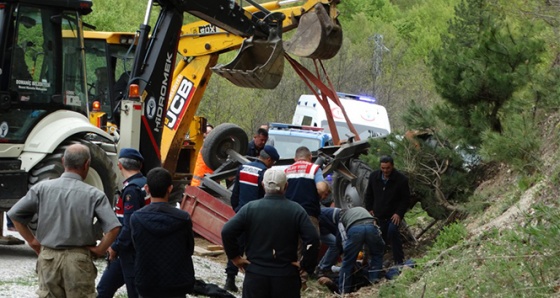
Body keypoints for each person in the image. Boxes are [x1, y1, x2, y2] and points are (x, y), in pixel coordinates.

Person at [7, 144, 121, 297]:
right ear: (87, 164)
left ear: (63, 161)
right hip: (78, 260)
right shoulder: (94, 194)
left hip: (48, 258)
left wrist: (32, 241)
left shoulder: (41, 188)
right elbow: (113, 228)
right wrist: (100, 250)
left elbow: (15, 215)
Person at [221, 169, 320, 298]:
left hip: (256, 276)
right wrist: (305, 265)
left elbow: (227, 231)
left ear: (263, 185)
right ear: (286, 186)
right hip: (286, 277)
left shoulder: (250, 208)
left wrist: (235, 258)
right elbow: (313, 239)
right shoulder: (296, 210)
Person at [130, 167, 196, 297]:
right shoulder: (183, 218)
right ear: (170, 188)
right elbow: (189, 249)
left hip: (146, 281)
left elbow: (136, 246)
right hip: (176, 282)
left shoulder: (136, 218)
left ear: (147, 188)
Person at [224, 144, 280, 292]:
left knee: (237, 246)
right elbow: (264, 197)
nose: (272, 166)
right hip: (257, 217)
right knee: (254, 249)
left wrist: (237, 209)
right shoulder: (263, 173)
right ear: (268, 159)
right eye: (272, 162)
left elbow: (235, 194)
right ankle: (250, 280)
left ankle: (230, 279)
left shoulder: (242, 168)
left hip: (242, 213)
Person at [97, 148, 149, 298]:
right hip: (130, 250)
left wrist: (114, 246)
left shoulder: (131, 190)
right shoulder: (144, 183)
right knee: (104, 288)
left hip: (129, 251)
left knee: (133, 292)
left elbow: (130, 225)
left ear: (120, 165)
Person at [284, 146, 326, 289]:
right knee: (310, 245)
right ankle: (302, 279)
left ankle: (290, 278)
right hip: (308, 213)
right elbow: (321, 188)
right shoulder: (314, 169)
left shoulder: (287, 170)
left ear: (295, 159)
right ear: (310, 158)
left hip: (289, 214)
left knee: (292, 246)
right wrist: (324, 192)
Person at [364, 155, 411, 273]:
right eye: (383, 168)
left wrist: (399, 214)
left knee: (393, 232)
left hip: (393, 215)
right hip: (379, 214)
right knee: (379, 238)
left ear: (392, 166)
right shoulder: (374, 176)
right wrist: (369, 209)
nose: (385, 171)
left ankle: (399, 261)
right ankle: (377, 264)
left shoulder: (401, 180)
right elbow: (368, 194)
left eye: (388, 168)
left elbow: (405, 199)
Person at [337, 206, 385, 294]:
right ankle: (373, 284)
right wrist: (365, 259)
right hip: (371, 226)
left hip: (355, 229)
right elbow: (367, 242)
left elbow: (344, 239)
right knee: (377, 254)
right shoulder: (361, 209)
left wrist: (350, 258)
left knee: (347, 263)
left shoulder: (341, 219)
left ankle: (343, 291)